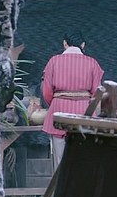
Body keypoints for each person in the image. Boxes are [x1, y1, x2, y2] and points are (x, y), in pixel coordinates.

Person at [41, 30, 104, 170]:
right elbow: (96, 93)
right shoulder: (92, 63)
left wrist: (55, 104)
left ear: (65, 44)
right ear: (83, 44)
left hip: (58, 112)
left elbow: (46, 91)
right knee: (84, 160)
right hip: (85, 114)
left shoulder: (54, 61)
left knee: (60, 161)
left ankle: (61, 184)